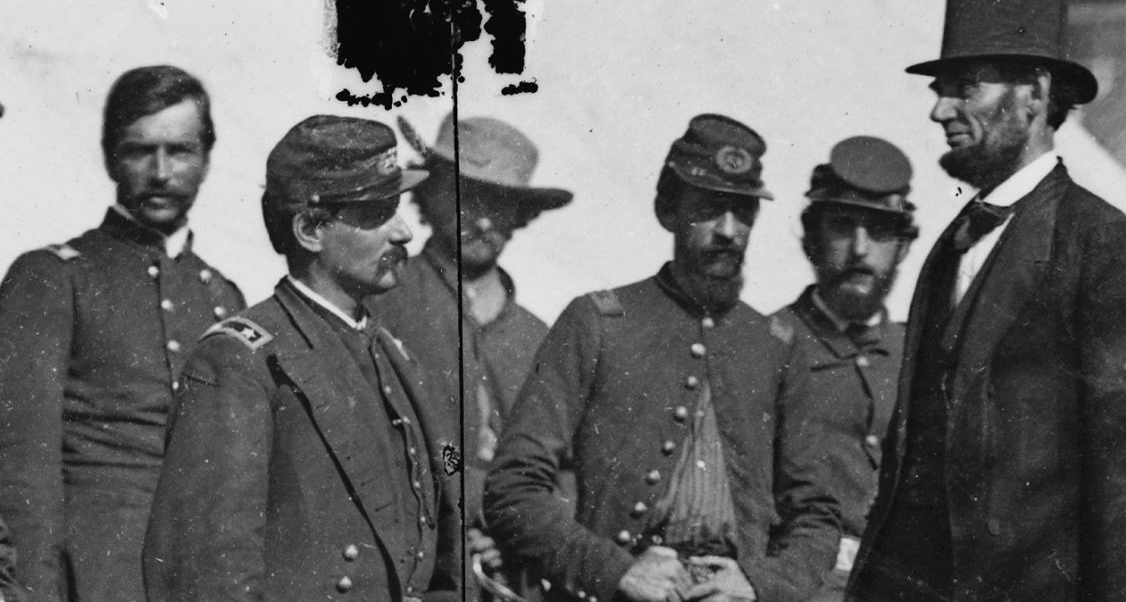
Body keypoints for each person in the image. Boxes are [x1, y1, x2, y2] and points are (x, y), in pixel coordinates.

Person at [847, 0, 1126, 601]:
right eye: (938, 91)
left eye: (964, 89)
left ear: (1035, 92)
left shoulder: (1100, 243)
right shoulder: (948, 248)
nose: (938, 111)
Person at [485, 114, 840, 602]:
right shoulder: (599, 322)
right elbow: (513, 487)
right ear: (667, 210)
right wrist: (615, 573)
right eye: (710, 209)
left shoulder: (776, 344)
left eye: (743, 213)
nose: (729, 231)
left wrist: (759, 584)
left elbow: (816, 514)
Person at [142, 115, 461, 601]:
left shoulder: (394, 355)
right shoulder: (238, 361)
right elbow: (206, 576)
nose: (404, 233)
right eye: (377, 212)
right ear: (311, 229)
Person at [0, 65, 244, 602]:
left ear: (205, 159)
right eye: (140, 151)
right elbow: (21, 470)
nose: (161, 172)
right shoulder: (54, 276)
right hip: (90, 576)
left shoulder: (224, 299)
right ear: (111, 156)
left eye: (180, 151)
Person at [367, 114, 574, 598]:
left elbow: (565, 464)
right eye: (468, 198)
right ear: (431, 194)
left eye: (499, 206)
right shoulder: (382, 306)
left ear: (522, 216)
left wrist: (527, 530)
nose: (481, 221)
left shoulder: (540, 338)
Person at [770, 136, 917, 601]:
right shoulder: (762, 345)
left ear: (903, 249)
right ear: (811, 238)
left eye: (879, 232)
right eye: (842, 227)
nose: (860, 249)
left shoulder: (925, 354)